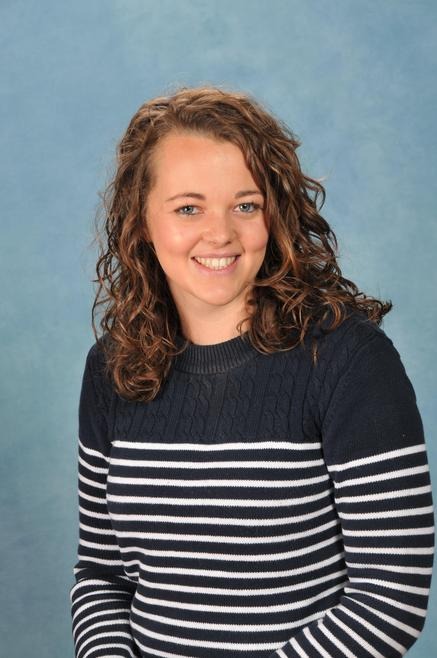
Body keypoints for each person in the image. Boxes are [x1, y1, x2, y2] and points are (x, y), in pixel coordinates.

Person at [69, 84, 434, 658]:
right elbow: (101, 574)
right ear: (141, 224)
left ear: (274, 215)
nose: (220, 234)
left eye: (245, 205)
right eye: (188, 208)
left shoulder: (348, 360)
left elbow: (390, 595)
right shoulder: (112, 367)